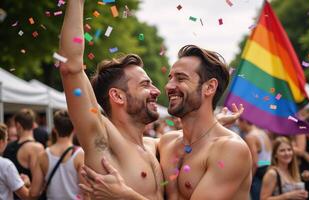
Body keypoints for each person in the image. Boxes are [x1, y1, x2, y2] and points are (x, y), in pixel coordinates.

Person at [81, 45, 252, 199]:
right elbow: (127, 141)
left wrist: (125, 196)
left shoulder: (232, 149)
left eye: (181, 78)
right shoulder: (166, 144)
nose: (168, 86)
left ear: (209, 87)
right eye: (170, 78)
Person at [59, 0, 164, 199]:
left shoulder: (155, 146)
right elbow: (70, 68)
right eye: (145, 84)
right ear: (117, 96)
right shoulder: (102, 142)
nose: (156, 90)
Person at [29, 110, 84, 199]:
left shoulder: (43, 155)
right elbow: (86, 192)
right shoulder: (80, 154)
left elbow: (34, 193)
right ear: (73, 129)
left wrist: (27, 183)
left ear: (54, 129)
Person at [3, 109, 44, 180]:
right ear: (33, 125)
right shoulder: (36, 147)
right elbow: (38, 181)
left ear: (18, 125)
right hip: (28, 189)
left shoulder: (8, 147)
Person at [237, 118, 272, 200]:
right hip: (268, 168)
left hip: (259, 174)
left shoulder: (250, 137)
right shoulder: (262, 132)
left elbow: (255, 162)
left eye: (239, 122)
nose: (238, 125)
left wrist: (249, 180)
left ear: (244, 121)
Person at [0, 123, 30, 200]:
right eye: (7, 139)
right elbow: (27, 196)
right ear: (1, 142)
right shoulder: (5, 165)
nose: (8, 142)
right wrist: (26, 183)